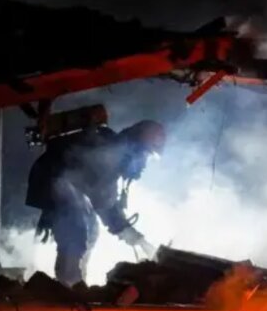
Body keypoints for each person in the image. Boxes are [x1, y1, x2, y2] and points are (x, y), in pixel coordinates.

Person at [26, 118, 164, 286]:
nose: (144, 165)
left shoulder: (113, 154)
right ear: (136, 149)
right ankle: (69, 284)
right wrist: (135, 238)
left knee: (91, 229)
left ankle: (76, 281)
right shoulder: (109, 156)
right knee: (76, 224)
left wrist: (137, 239)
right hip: (53, 178)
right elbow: (105, 205)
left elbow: (105, 203)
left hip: (57, 179)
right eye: (146, 156)